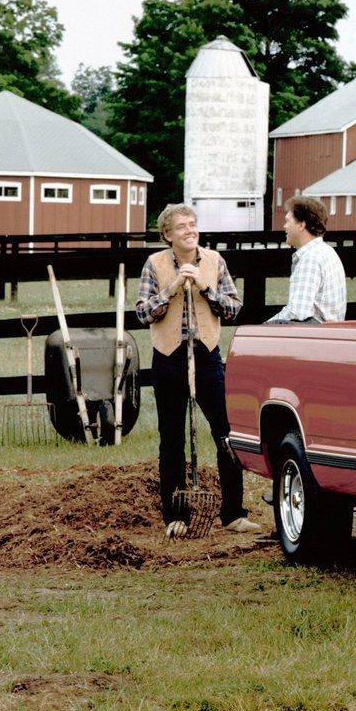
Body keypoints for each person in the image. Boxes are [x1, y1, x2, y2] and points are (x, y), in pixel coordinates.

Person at [136, 204, 259, 537]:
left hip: (206, 356)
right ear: (167, 235)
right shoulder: (155, 264)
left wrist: (205, 288)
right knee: (172, 440)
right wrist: (174, 286)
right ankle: (176, 517)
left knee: (226, 434)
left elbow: (233, 308)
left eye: (192, 225)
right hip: (169, 357)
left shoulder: (215, 262)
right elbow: (143, 313)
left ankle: (233, 513)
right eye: (181, 227)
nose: (189, 231)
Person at [265, 195, 347, 324]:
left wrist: (263, 327)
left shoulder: (310, 259)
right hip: (328, 335)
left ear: (302, 224)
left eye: (288, 221)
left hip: (314, 337)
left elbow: (298, 312)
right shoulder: (327, 251)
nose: (284, 226)